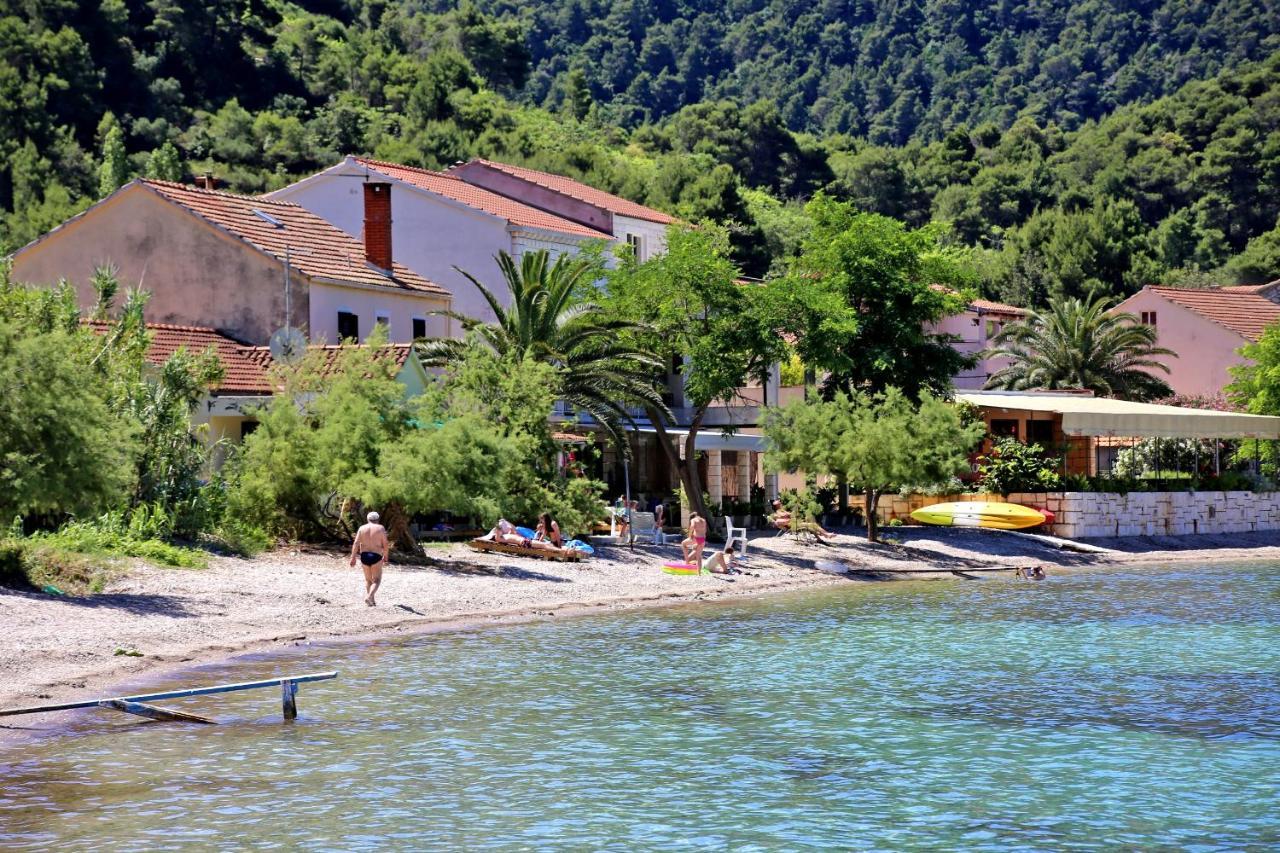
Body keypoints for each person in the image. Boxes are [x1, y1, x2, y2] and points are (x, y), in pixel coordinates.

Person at [349, 511, 389, 606]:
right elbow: (385, 544)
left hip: (364, 556)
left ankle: (371, 601)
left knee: (368, 580)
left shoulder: (362, 528)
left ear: (367, 519)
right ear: (377, 519)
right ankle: (369, 596)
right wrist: (386, 556)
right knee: (377, 580)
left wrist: (353, 557)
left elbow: (356, 543)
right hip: (376, 555)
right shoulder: (380, 528)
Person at [770, 499, 836, 539]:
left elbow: (791, 515)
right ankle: (826, 535)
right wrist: (790, 515)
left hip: (796, 523)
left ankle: (824, 535)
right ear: (777, 506)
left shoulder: (782, 511)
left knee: (812, 524)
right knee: (813, 525)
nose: (781, 504)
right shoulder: (778, 512)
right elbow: (782, 519)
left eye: (780, 503)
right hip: (794, 526)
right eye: (779, 503)